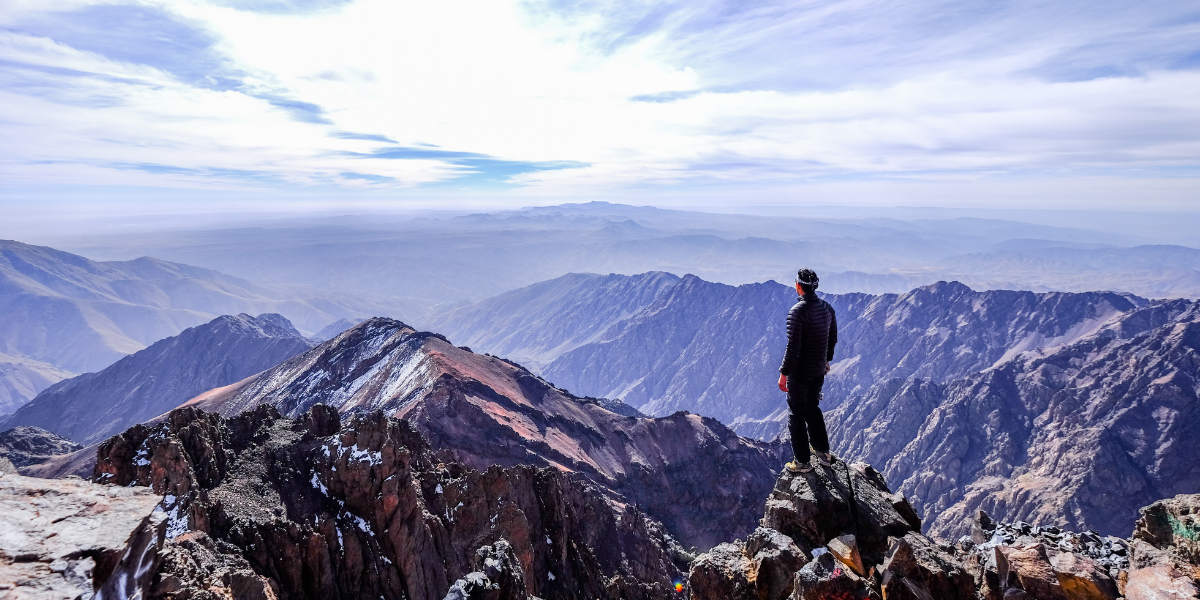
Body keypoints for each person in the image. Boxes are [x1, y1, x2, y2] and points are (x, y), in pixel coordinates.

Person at [777, 268, 838, 474]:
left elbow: (793, 347)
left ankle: (802, 462)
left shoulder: (797, 312)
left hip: (800, 372)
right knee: (813, 409)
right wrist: (826, 360)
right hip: (818, 371)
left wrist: (784, 373)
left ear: (798, 286)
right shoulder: (827, 308)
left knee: (796, 414)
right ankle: (823, 453)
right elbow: (832, 338)